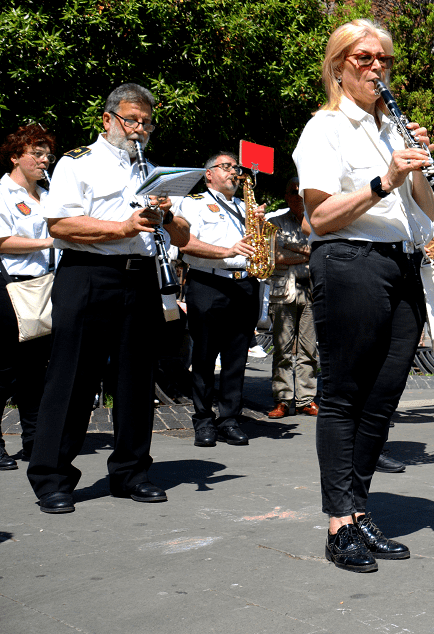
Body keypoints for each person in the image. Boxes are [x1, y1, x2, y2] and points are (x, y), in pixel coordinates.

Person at [293, 18, 434, 572]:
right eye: (364, 58)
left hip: (401, 266)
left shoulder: (391, 129)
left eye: (384, 59)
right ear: (339, 66)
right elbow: (320, 218)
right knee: (345, 395)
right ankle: (338, 522)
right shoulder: (324, 129)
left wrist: (416, 163)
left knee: (382, 400)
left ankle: (358, 509)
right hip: (351, 261)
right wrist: (384, 179)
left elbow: (423, 208)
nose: (376, 67)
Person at [28, 84, 171, 514]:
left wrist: (165, 216)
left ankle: (130, 471)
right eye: (131, 119)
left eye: (146, 122)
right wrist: (123, 229)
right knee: (73, 377)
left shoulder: (152, 170)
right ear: (107, 120)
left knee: (135, 380)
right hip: (89, 274)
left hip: (140, 277)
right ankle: (52, 477)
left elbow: (166, 231)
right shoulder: (79, 162)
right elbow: (60, 226)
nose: (139, 129)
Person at [168, 152, 262, 449]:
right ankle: (203, 420)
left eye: (235, 167)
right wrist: (227, 251)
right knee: (205, 356)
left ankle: (229, 419)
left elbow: (257, 247)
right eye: (226, 167)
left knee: (236, 358)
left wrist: (259, 228)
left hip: (245, 285)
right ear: (208, 174)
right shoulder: (191, 204)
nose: (233, 172)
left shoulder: (246, 206)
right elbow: (184, 244)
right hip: (208, 282)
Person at [0, 124, 56, 471]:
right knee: (4, 371)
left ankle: (35, 442)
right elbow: (2, 240)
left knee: (36, 372)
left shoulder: (49, 195)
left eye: (47, 153)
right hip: (11, 288)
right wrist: (51, 242)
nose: (44, 159)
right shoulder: (2, 193)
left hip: (47, 287)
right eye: (36, 152)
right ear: (15, 156)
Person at [265, 177, 319, 419]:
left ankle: (306, 399)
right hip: (283, 290)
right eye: (293, 192)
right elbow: (276, 256)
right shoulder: (274, 222)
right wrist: (308, 252)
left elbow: (321, 253)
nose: (298, 196)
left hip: (312, 291)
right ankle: (283, 400)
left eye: (301, 192)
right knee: (282, 348)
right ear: (286, 196)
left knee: (309, 350)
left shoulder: (318, 222)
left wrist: (293, 248)